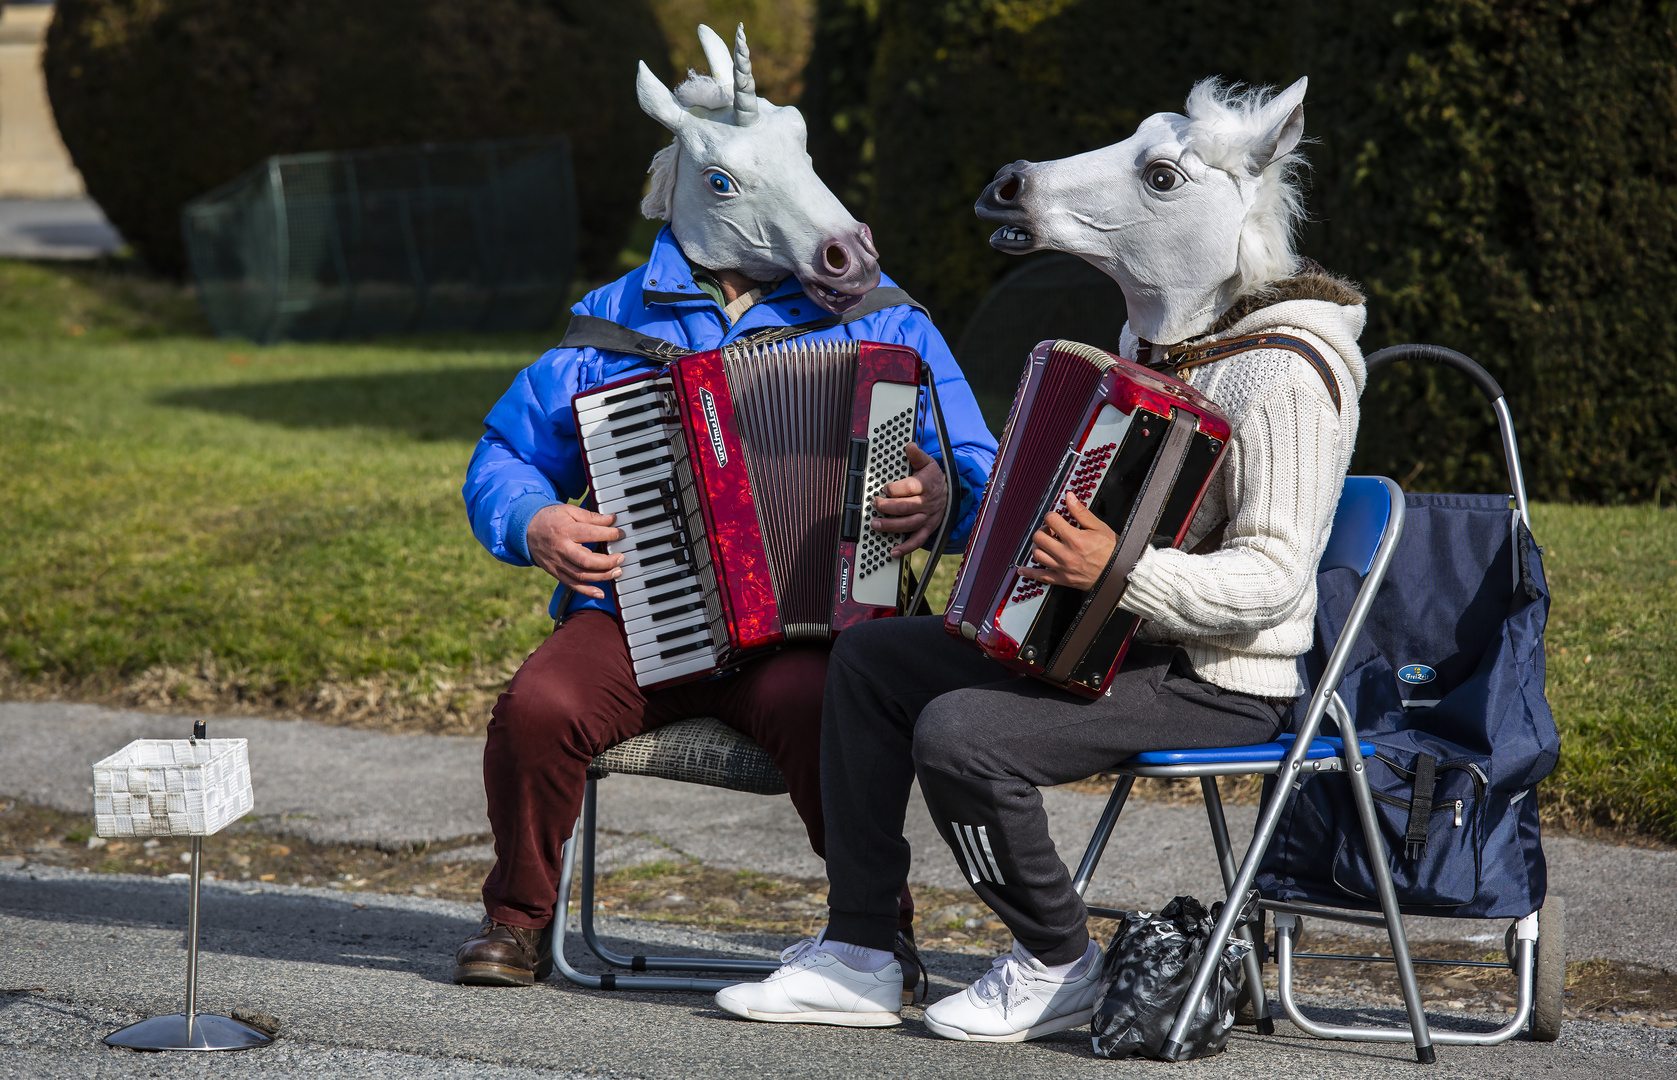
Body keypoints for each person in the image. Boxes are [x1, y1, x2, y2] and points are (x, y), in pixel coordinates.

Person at [714, 78, 1367, 1041]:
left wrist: (1115, 569)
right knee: (871, 658)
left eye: (1156, 179)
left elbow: (1271, 580)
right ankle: (858, 951)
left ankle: (1059, 959)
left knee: (960, 732)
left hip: (1215, 673)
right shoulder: (1155, 344)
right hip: (1109, 635)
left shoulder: (1287, 371)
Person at [453, 24, 996, 989]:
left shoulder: (887, 323)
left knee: (832, 703)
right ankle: (517, 919)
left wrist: (941, 503)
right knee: (538, 705)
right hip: (635, 614)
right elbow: (503, 454)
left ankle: (873, 935)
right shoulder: (611, 321)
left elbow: (977, 473)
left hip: (806, 632)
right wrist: (531, 521)